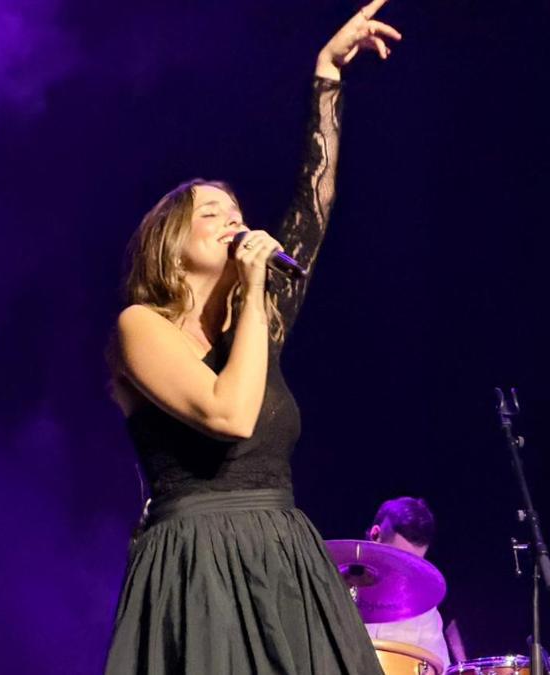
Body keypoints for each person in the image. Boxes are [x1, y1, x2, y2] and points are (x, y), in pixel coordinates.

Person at [103, 2, 402, 673]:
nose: (234, 221)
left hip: (283, 559)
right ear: (171, 245)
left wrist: (327, 78)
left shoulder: (254, 319)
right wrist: (259, 285)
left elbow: (313, 205)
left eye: (237, 211)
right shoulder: (138, 326)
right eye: (212, 213)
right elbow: (227, 412)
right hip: (197, 563)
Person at [364, 497, 457, 669]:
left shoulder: (423, 609)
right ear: (376, 535)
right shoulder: (338, 590)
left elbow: (440, 667)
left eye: (412, 564)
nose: (404, 573)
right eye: (398, 560)